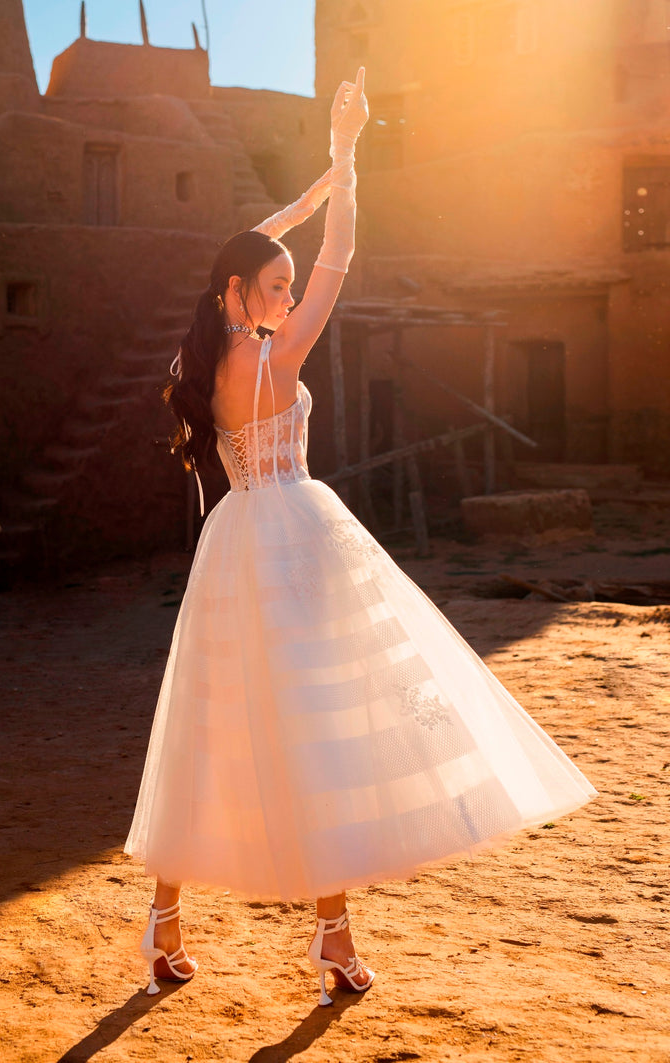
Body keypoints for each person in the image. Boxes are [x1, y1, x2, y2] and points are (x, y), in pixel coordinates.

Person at [124, 68, 596, 1007]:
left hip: (237, 545)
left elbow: (272, 246)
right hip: (294, 536)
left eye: (288, 289)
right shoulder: (276, 352)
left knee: (215, 733)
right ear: (242, 291)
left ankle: (166, 922)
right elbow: (341, 256)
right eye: (276, 287)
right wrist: (346, 153)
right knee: (321, 733)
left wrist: (294, 207)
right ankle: (332, 937)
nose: (289, 295)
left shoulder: (203, 353)